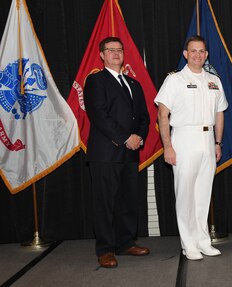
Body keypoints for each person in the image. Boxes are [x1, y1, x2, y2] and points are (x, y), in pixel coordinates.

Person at [154, 35, 227, 260]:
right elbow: (162, 114)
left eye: (201, 51)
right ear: (185, 54)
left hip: (208, 141)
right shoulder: (174, 80)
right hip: (183, 139)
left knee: (203, 195)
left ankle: (203, 241)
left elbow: (220, 112)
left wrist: (217, 142)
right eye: (193, 51)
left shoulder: (214, 80)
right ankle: (188, 244)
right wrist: (168, 146)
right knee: (185, 195)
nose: (197, 55)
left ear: (206, 54)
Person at [84, 37, 151, 268]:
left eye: (119, 50)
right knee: (104, 203)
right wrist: (125, 138)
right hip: (106, 153)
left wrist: (139, 137)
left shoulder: (134, 84)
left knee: (128, 201)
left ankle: (125, 243)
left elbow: (144, 117)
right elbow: (99, 115)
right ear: (101, 55)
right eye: (110, 50)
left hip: (130, 153)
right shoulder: (95, 81)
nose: (115, 53)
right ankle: (105, 249)